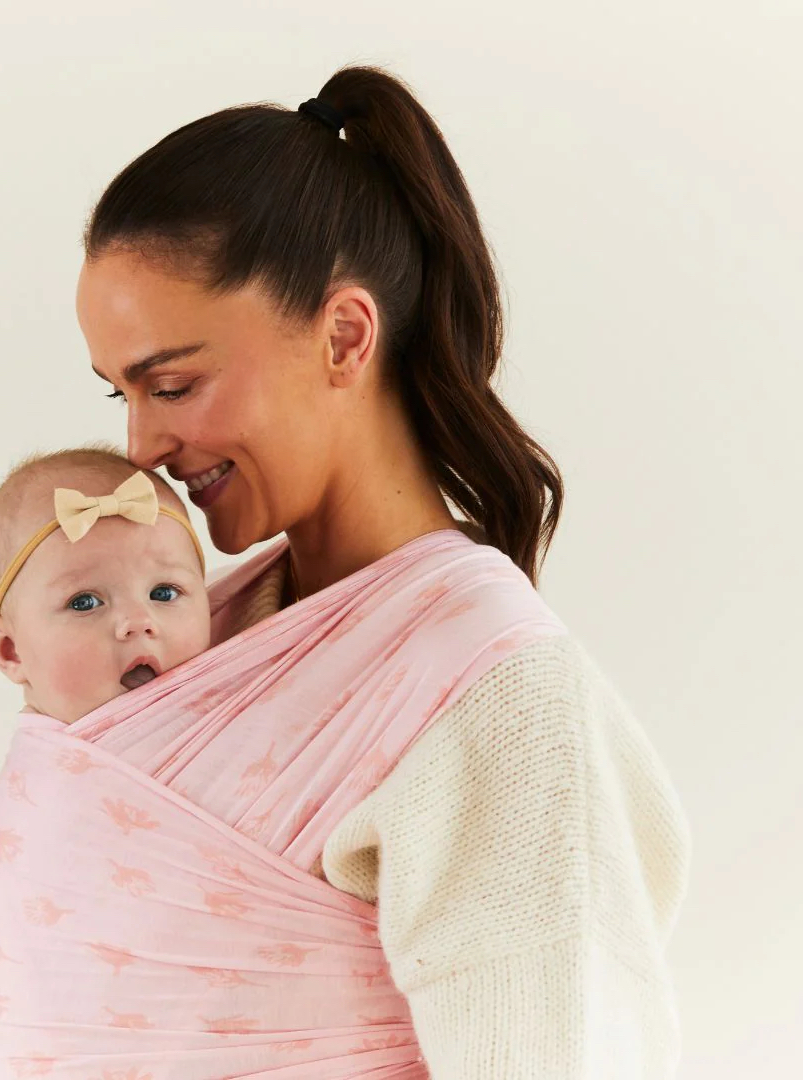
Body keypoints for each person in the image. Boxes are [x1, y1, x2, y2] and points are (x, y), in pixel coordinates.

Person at [75, 65, 691, 1077]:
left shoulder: (501, 698)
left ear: (345, 336)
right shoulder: (208, 632)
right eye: (121, 399)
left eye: (173, 384)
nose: (143, 445)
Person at [0, 446, 211, 723]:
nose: (137, 621)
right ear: (10, 649)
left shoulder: (243, 701)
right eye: (83, 602)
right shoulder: (42, 765)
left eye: (164, 593)